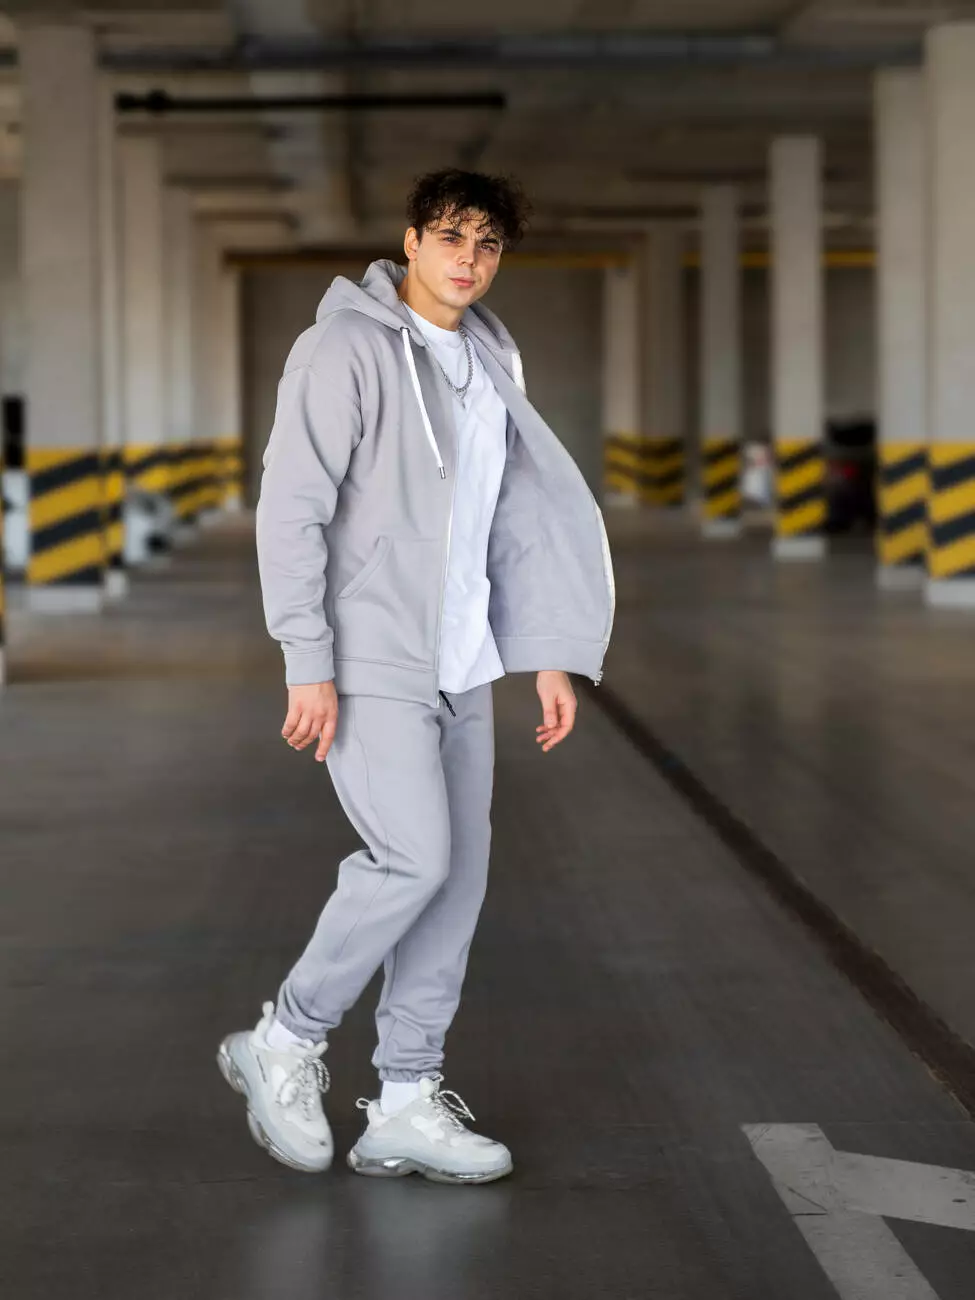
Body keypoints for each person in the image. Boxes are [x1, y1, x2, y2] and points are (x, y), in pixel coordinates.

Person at [218, 169, 615, 1185]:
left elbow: (511, 517)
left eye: (488, 244)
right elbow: (291, 509)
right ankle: (285, 1038)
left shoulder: (488, 358)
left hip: (463, 662)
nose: (468, 259)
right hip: (370, 655)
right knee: (413, 858)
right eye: (451, 237)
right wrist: (307, 660)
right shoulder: (343, 348)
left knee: (456, 883)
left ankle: (403, 1097)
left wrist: (545, 649)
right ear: (411, 240)